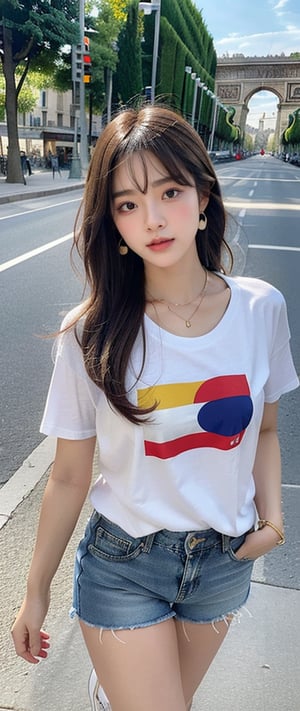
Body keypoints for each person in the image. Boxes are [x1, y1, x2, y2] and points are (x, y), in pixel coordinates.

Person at [11, 105, 298, 711]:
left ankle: (111, 692)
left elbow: (266, 427)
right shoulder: (90, 333)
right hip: (126, 564)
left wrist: (272, 522)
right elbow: (66, 476)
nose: (154, 219)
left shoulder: (260, 309)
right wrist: (33, 591)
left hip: (224, 560)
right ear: (112, 222)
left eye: (169, 191)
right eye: (127, 203)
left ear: (202, 195)